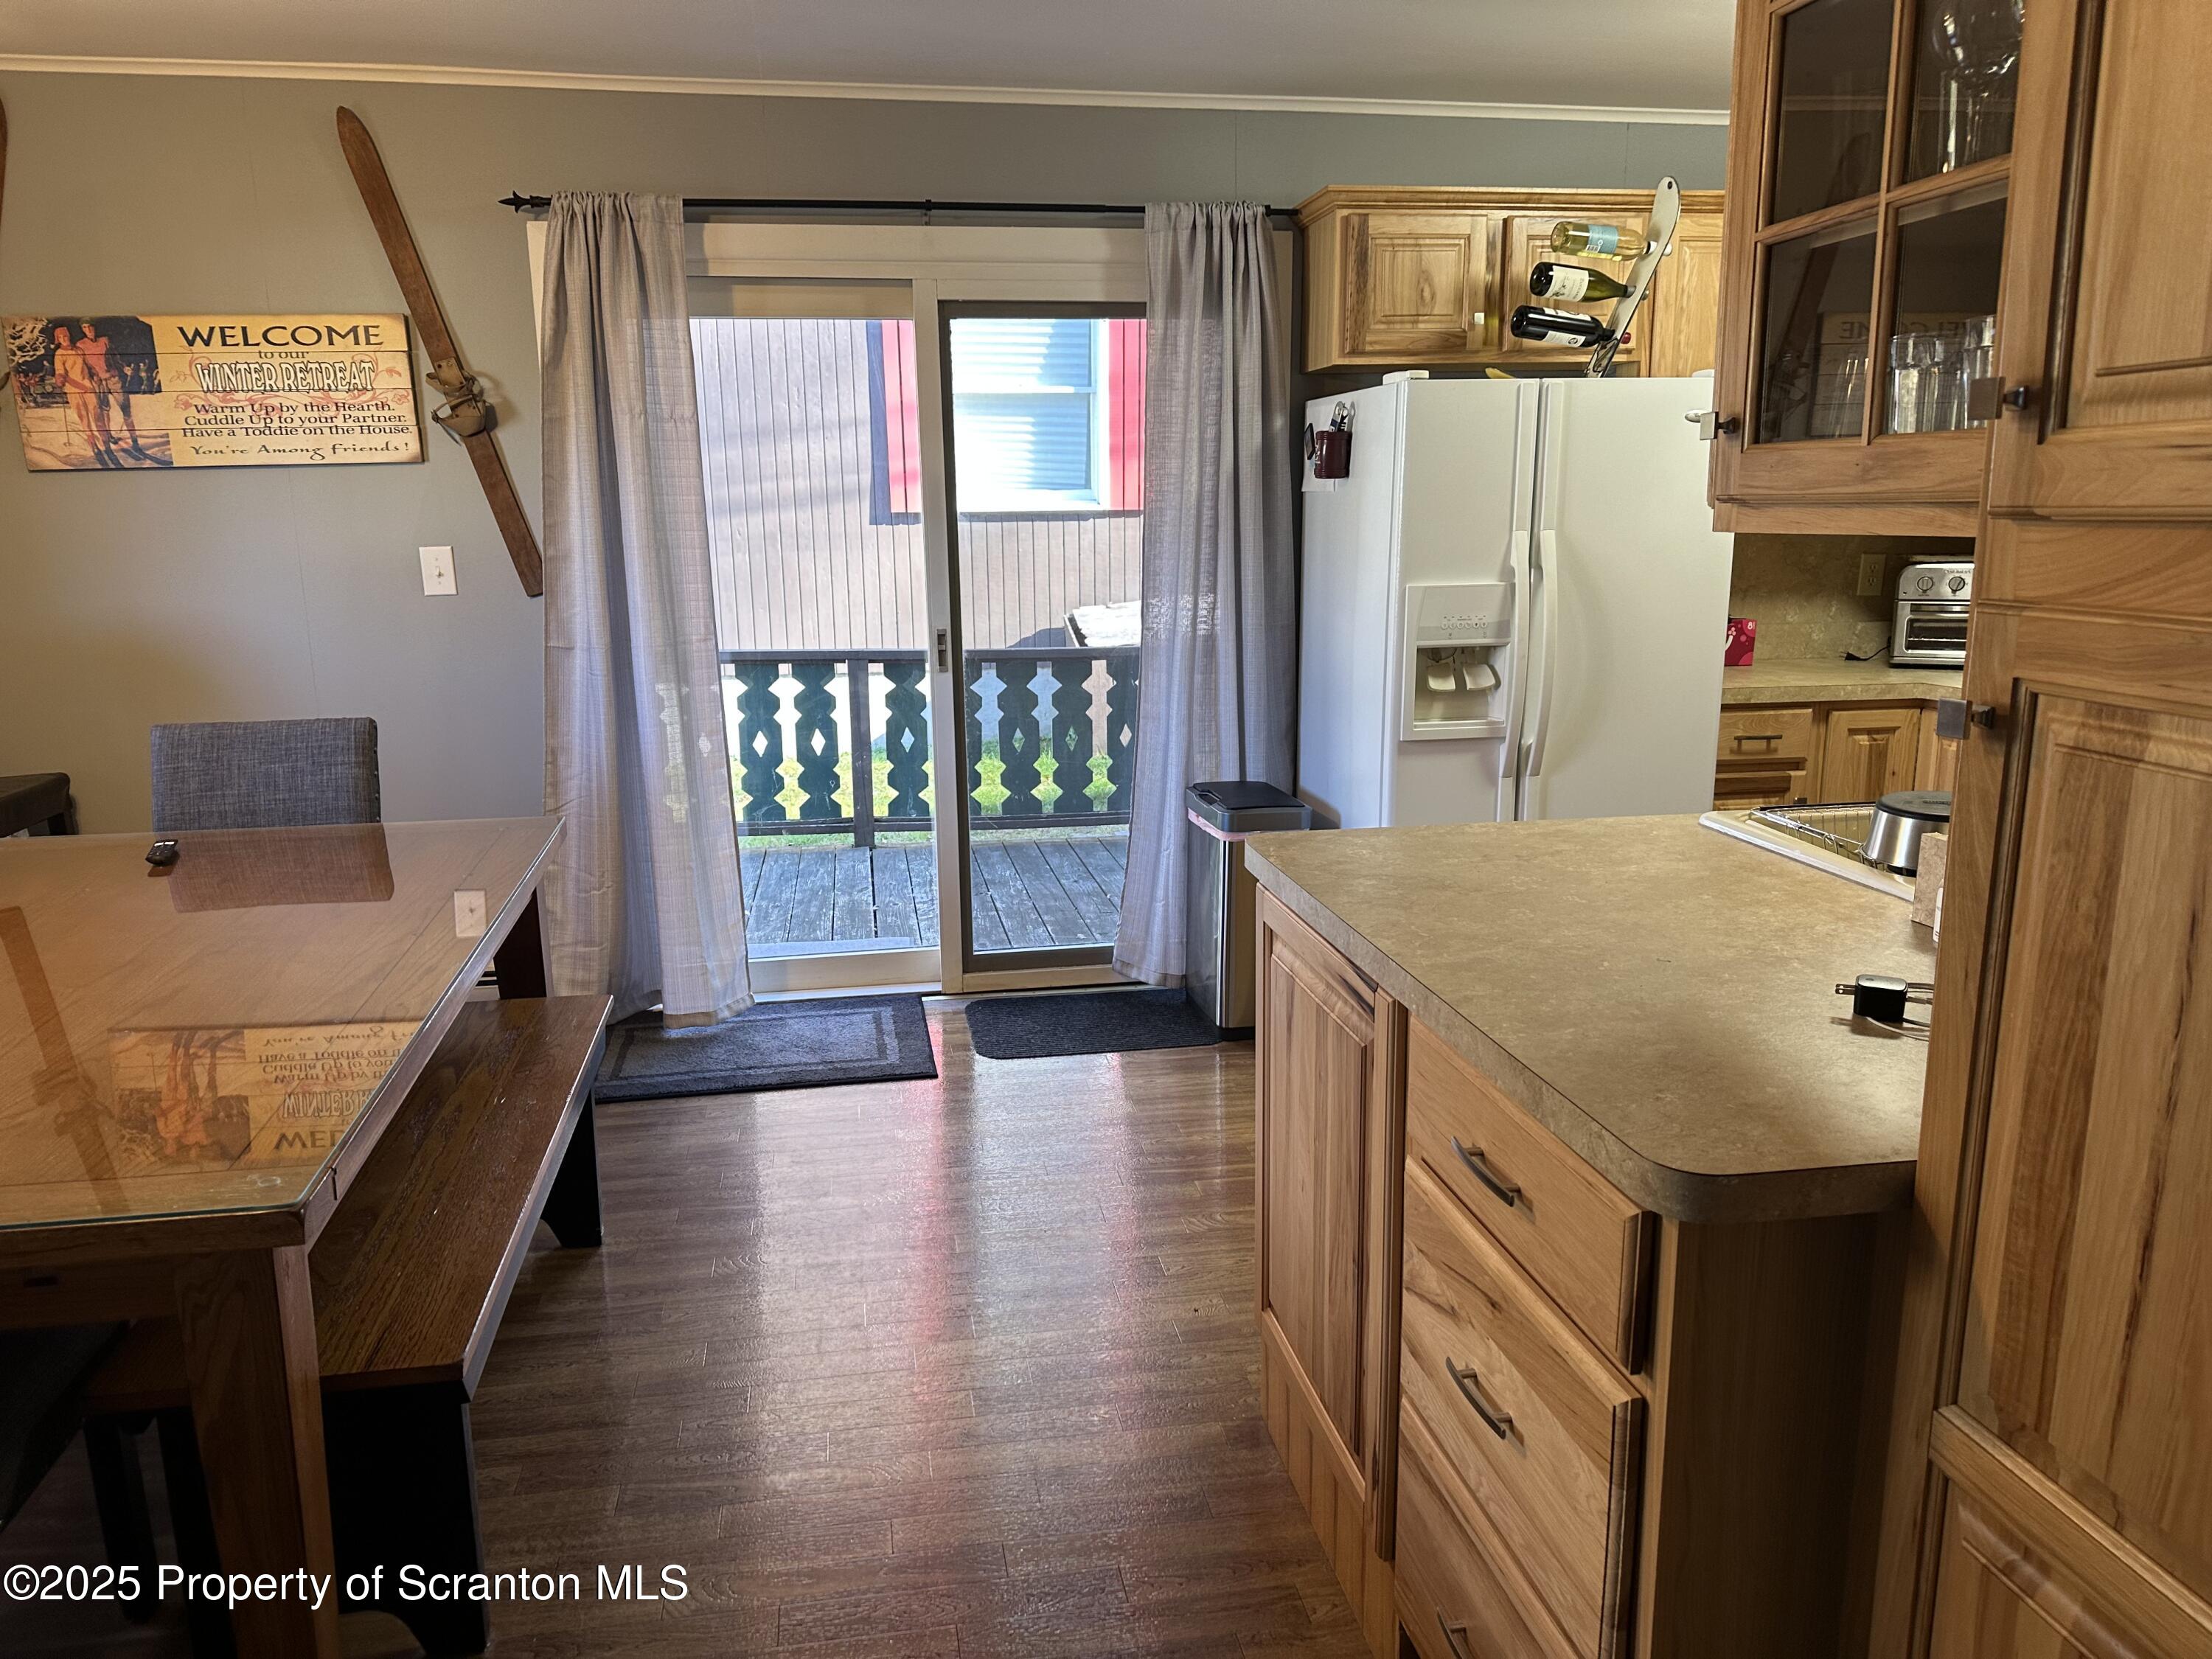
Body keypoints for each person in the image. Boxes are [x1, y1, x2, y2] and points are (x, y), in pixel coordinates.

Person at [74, 319, 147, 462]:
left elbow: (115, 357)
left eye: (90, 326)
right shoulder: (80, 345)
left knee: (126, 410)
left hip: (114, 378)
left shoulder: (104, 341)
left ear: (94, 328)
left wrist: (124, 368)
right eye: (85, 327)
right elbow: (82, 365)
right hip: (98, 382)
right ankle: (109, 436)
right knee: (104, 410)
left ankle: (135, 442)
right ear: (82, 329)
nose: (88, 329)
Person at [48, 324, 109, 466]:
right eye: (61, 337)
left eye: (66, 336)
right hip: (74, 390)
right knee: (85, 421)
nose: (65, 339)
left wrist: (95, 374)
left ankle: (107, 447)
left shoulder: (78, 350)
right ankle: (95, 448)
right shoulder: (59, 354)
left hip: (88, 387)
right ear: (58, 339)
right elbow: (60, 372)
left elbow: (88, 365)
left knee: (98, 416)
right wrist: (60, 378)